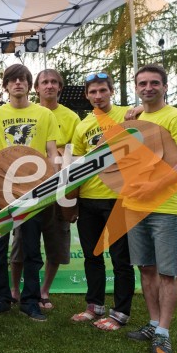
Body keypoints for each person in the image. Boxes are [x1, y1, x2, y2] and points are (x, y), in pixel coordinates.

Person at [124, 64, 177, 353]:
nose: (148, 88)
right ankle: (153, 323)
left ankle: (164, 333)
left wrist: (154, 187)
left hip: (166, 208)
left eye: (154, 83)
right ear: (136, 88)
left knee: (168, 273)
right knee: (146, 268)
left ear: (165, 86)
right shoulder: (135, 116)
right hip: (134, 207)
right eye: (142, 83)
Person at [0, 64, 58, 322]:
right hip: (1, 192)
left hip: (33, 191)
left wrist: (51, 184)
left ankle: (30, 301)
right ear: (6, 86)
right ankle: (1, 298)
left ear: (28, 84)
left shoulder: (45, 115)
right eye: (12, 80)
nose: (18, 84)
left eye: (22, 79)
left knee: (32, 250)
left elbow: (51, 154)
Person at [9, 69, 80, 310]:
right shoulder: (26, 113)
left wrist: (70, 192)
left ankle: (44, 291)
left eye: (54, 82)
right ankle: (15, 289)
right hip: (26, 187)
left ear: (60, 88)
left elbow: (75, 151)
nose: (49, 86)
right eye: (44, 82)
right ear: (36, 87)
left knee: (55, 241)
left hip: (59, 188)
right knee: (20, 242)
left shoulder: (71, 117)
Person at [70, 72, 135, 331]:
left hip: (119, 199)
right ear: (87, 95)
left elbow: (152, 117)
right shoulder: (82, 125)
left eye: (102, 91)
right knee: (92, 256)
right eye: (93, 92)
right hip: (88, 199)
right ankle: (94, 306)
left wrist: (138, 108)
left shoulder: (128, 114)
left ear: (111, 92)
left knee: (121, 259)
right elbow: (76, 167)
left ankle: (120, 313)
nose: (98, 96)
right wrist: (73, 201)